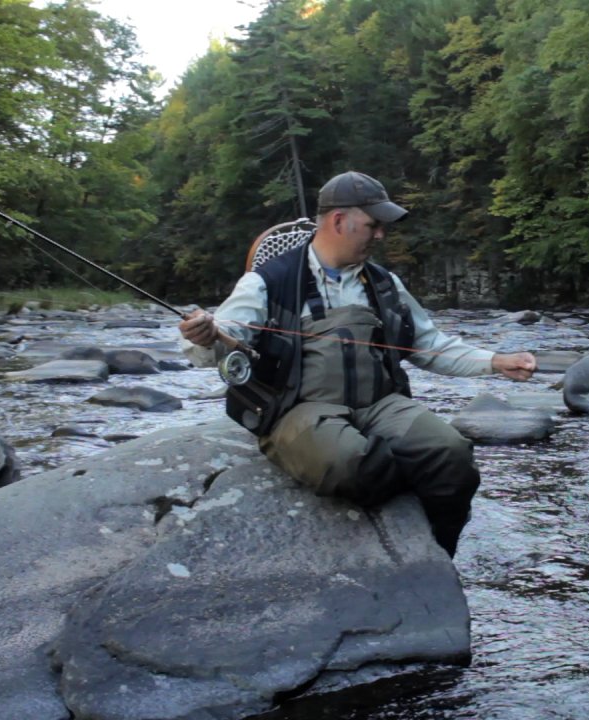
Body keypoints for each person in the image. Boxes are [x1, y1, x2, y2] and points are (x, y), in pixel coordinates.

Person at [179, 170, 536, 556]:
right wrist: (205, 336)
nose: (380, 235)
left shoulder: (384, 283)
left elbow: (429, 344)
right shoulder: (268, 282)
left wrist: (495, 361)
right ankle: (402, 498)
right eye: (373, 225)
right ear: (338, 221)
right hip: (298, 409)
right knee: (350, 463)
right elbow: (220, 343)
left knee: (452, 455)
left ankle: (437, 554)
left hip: (382, 404)